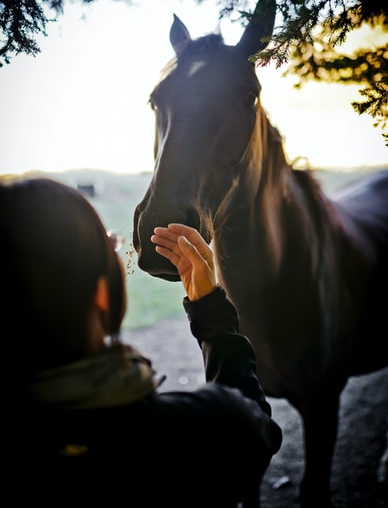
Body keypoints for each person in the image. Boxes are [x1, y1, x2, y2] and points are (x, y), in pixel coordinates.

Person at [1, 176, 281, 507]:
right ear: (102, 294)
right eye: (111, 245)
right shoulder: (206, 428)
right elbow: (259, 427)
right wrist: (212, 314)